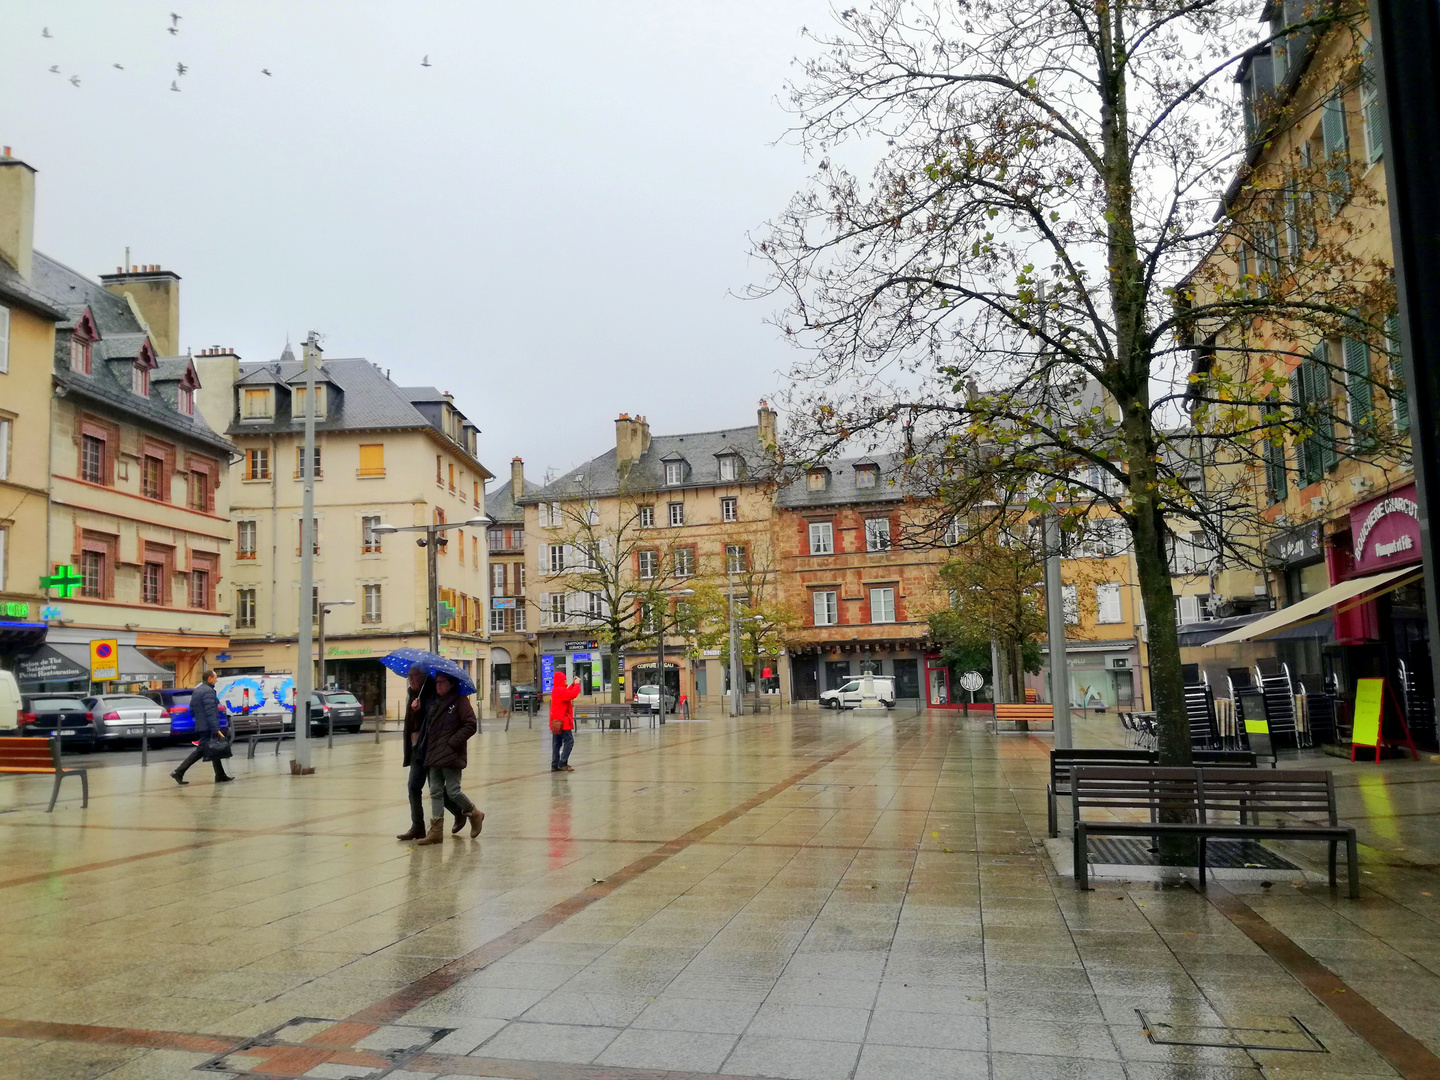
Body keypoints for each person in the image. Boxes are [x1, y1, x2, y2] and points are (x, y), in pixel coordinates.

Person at [398, 666, 467, 840]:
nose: (411, 679)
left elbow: (434, 719)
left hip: (432, 748)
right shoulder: (414, 693)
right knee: (414, 787)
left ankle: (460, 812)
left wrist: (420, 710)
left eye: (414, 676)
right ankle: (418, 826)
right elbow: (413, 724)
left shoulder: (432, 692)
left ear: (422, 677)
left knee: (437, 789)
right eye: (409, 676)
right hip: (417, 749)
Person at [416, 672, 483, 845]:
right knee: (435, 791)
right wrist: (417, 708)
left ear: (451, 683)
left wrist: (452, 742)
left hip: (451, 754)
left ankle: (474, 813)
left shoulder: (460, 701)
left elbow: (471, 724)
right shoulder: (434, 702)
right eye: (436, 682)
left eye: (442, 682)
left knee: (453, 791)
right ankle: (436, 830)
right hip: (434, 754)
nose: (438, 685)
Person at [171, 670, 233, 785]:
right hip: (208, 726)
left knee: (214, 749)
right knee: (201, 751)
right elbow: (210, 711)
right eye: (215, 677)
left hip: (202, 725)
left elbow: (192, 709)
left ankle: (220, 775)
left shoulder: (197, 690)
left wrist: (200, 721)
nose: (216, 680)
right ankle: (178, 772)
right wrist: (216, 728)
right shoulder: (208, 691)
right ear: (209, 678)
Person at [549, 670, 582, 772]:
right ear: (560, 681)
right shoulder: (560, 691)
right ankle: (562, 763)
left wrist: (572, 684)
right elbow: (572, 694)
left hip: (556, 722)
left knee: (557, 743)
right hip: (563, 722)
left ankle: (555, 764)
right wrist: (577, 685)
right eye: (564, 680)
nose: (565, 682)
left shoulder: (556, 690)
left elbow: (567, 692)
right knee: (569, 741)